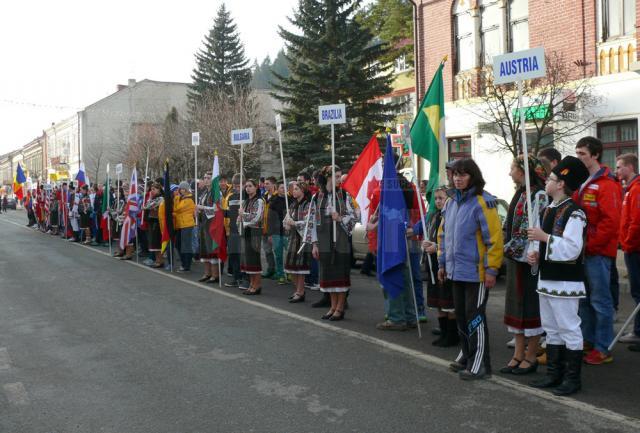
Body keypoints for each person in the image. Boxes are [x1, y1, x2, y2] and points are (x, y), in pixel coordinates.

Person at [527, 155, 590, 396]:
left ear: (561, 184)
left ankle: (572, 379)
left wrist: (545, 239)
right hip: (547, 278)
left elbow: (573, 248)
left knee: (569, 328)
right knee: (551, 328)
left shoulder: (575, 212)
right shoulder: (549, 209)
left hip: (565, 281)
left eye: (551, 178)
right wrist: (536, 254)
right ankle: (554, 374)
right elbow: (546, 245)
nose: (546, 181)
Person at [438, 158, 504, 380]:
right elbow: (443, 235)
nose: (458, 178)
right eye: (455, 174)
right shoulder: (450, 203)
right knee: (462, 317)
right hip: (456, 272)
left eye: (463, 174)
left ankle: (480, 365)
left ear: (473, 176)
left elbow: (494, 239)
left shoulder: (483, 202)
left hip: (477, 274)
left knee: (475, 318)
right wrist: (442, 263)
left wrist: (492, 270)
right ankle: (466, 356)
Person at [575, 136, 622, 365]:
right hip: (583, 251)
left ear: (595, 155)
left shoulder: (607, 184)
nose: (579, 157)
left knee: (600, 301)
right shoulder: (584, 181)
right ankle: (588, 339)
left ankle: (603, 347)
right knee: (583, 299)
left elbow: (611, 222)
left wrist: (591, 245)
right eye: (578, 153)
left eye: (583, 153)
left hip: (598, 252)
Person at [500, 155, 548, 375]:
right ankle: (518, 354)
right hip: (514, 258)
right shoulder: (520, 193)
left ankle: (530, 355)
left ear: (523, 171)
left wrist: (531, 251)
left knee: (530, 305)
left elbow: (537, 227)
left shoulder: (538, 195)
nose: (509, 172)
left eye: (512, 168)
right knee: (515, 304)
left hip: (529, 259)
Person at [310, 165, 356, 321]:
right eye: (336, 176)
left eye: (339, 176)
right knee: (328, 275)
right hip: (323, 242)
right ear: (328, 177)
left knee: (340, 275)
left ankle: (340, 308)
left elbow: (354, 216)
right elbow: (312, 222)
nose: (339, 179)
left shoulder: (344, 195)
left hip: (340, 241)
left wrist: (340, 218)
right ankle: (332, 306)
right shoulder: (317, 197)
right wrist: (314, 244)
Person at [422, 186, 458, 346]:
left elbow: (451, 241)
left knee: (448, 302)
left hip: (445, 264)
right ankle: (443, 332)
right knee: (438, 301)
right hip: (434, 265)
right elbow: (432, 236)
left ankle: (452, 335)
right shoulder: (434, 216)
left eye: (441, 198)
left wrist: (436, 247)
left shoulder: (451, 216)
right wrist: (427, 243)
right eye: (435, 198)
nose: (437, 201)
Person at [615, 154, 640, 348]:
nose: (616, 171)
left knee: (638, 291)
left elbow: (636, 222)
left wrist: (628, 244)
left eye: (619, 167)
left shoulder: (636, 189)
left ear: (629, 167)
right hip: (631, 247)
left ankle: (639, 332)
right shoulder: (630, 189)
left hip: (636, 249)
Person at [284, 181, 314, 302]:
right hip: (292, 238)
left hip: (302, 239)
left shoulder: (308, 205)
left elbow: (308, 222)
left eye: (297, 189)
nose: (294, 190)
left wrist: (295, 223)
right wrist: (286, 224)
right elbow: (286, 219)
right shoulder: (292, 205)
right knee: (291, 267)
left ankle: (300, 292)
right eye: (293, 189)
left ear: (303, 190)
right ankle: (298, 290)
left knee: (300, 268)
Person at [239, 179, 265, 294]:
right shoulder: (245, 202)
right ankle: (251, 284)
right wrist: (239, 218)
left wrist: (243, 215)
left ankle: (257, 285)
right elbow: (241, 217)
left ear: (256, 187)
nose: (247, 188)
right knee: (248, 259)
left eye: (250, 186)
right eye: (246, 186)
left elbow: (257, 217)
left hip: (255, 232)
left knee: (254, 259)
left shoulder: (259, 201)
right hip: (246, 231)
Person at [196, 172, 222, 284]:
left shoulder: (216, 193)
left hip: (213, 224)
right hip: (204, 223)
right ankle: (207, 273)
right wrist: (197, 210)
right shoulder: (203, 193)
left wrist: (201, 207)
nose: (206, 180)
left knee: (212, 248)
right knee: (205, 249)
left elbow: (216, 210)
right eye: (204, 177)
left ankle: (215, 275)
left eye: (208, 178)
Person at [224, 174, 243, 288]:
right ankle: (236, 278)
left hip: (243, 230)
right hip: (232, 230)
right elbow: (229, 213)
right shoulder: (230, 197)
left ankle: (244, 278)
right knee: (233, 255)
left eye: (239, 185)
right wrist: (220, 212)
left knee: (242, 256)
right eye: (235, 185)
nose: (236, 188)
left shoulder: (247, 196)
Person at [173, 182, 196, 272]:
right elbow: (177, 211)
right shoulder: (181, 198)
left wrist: (176, 199)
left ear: (186, 189)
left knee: (186, 245)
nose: (181, 190)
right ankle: (184, 263)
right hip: (181, 224)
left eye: (182, 189)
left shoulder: (189, 199)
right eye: (180, 189)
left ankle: (187, 265)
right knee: (178, 244)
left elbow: (177, 209)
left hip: (187, 224)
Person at [143, 182, 165, 268]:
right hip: (152, 221)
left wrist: (149, 202)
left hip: (158, 222)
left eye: (154, 189)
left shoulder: (161, 198)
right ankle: (157, 260)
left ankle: (160, 260)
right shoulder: (153, 198)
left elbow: (148, 206)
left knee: (157, 242)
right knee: (153, 242)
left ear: (159, 190)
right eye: (151, 189)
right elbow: (146, 205)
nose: (152, 191)